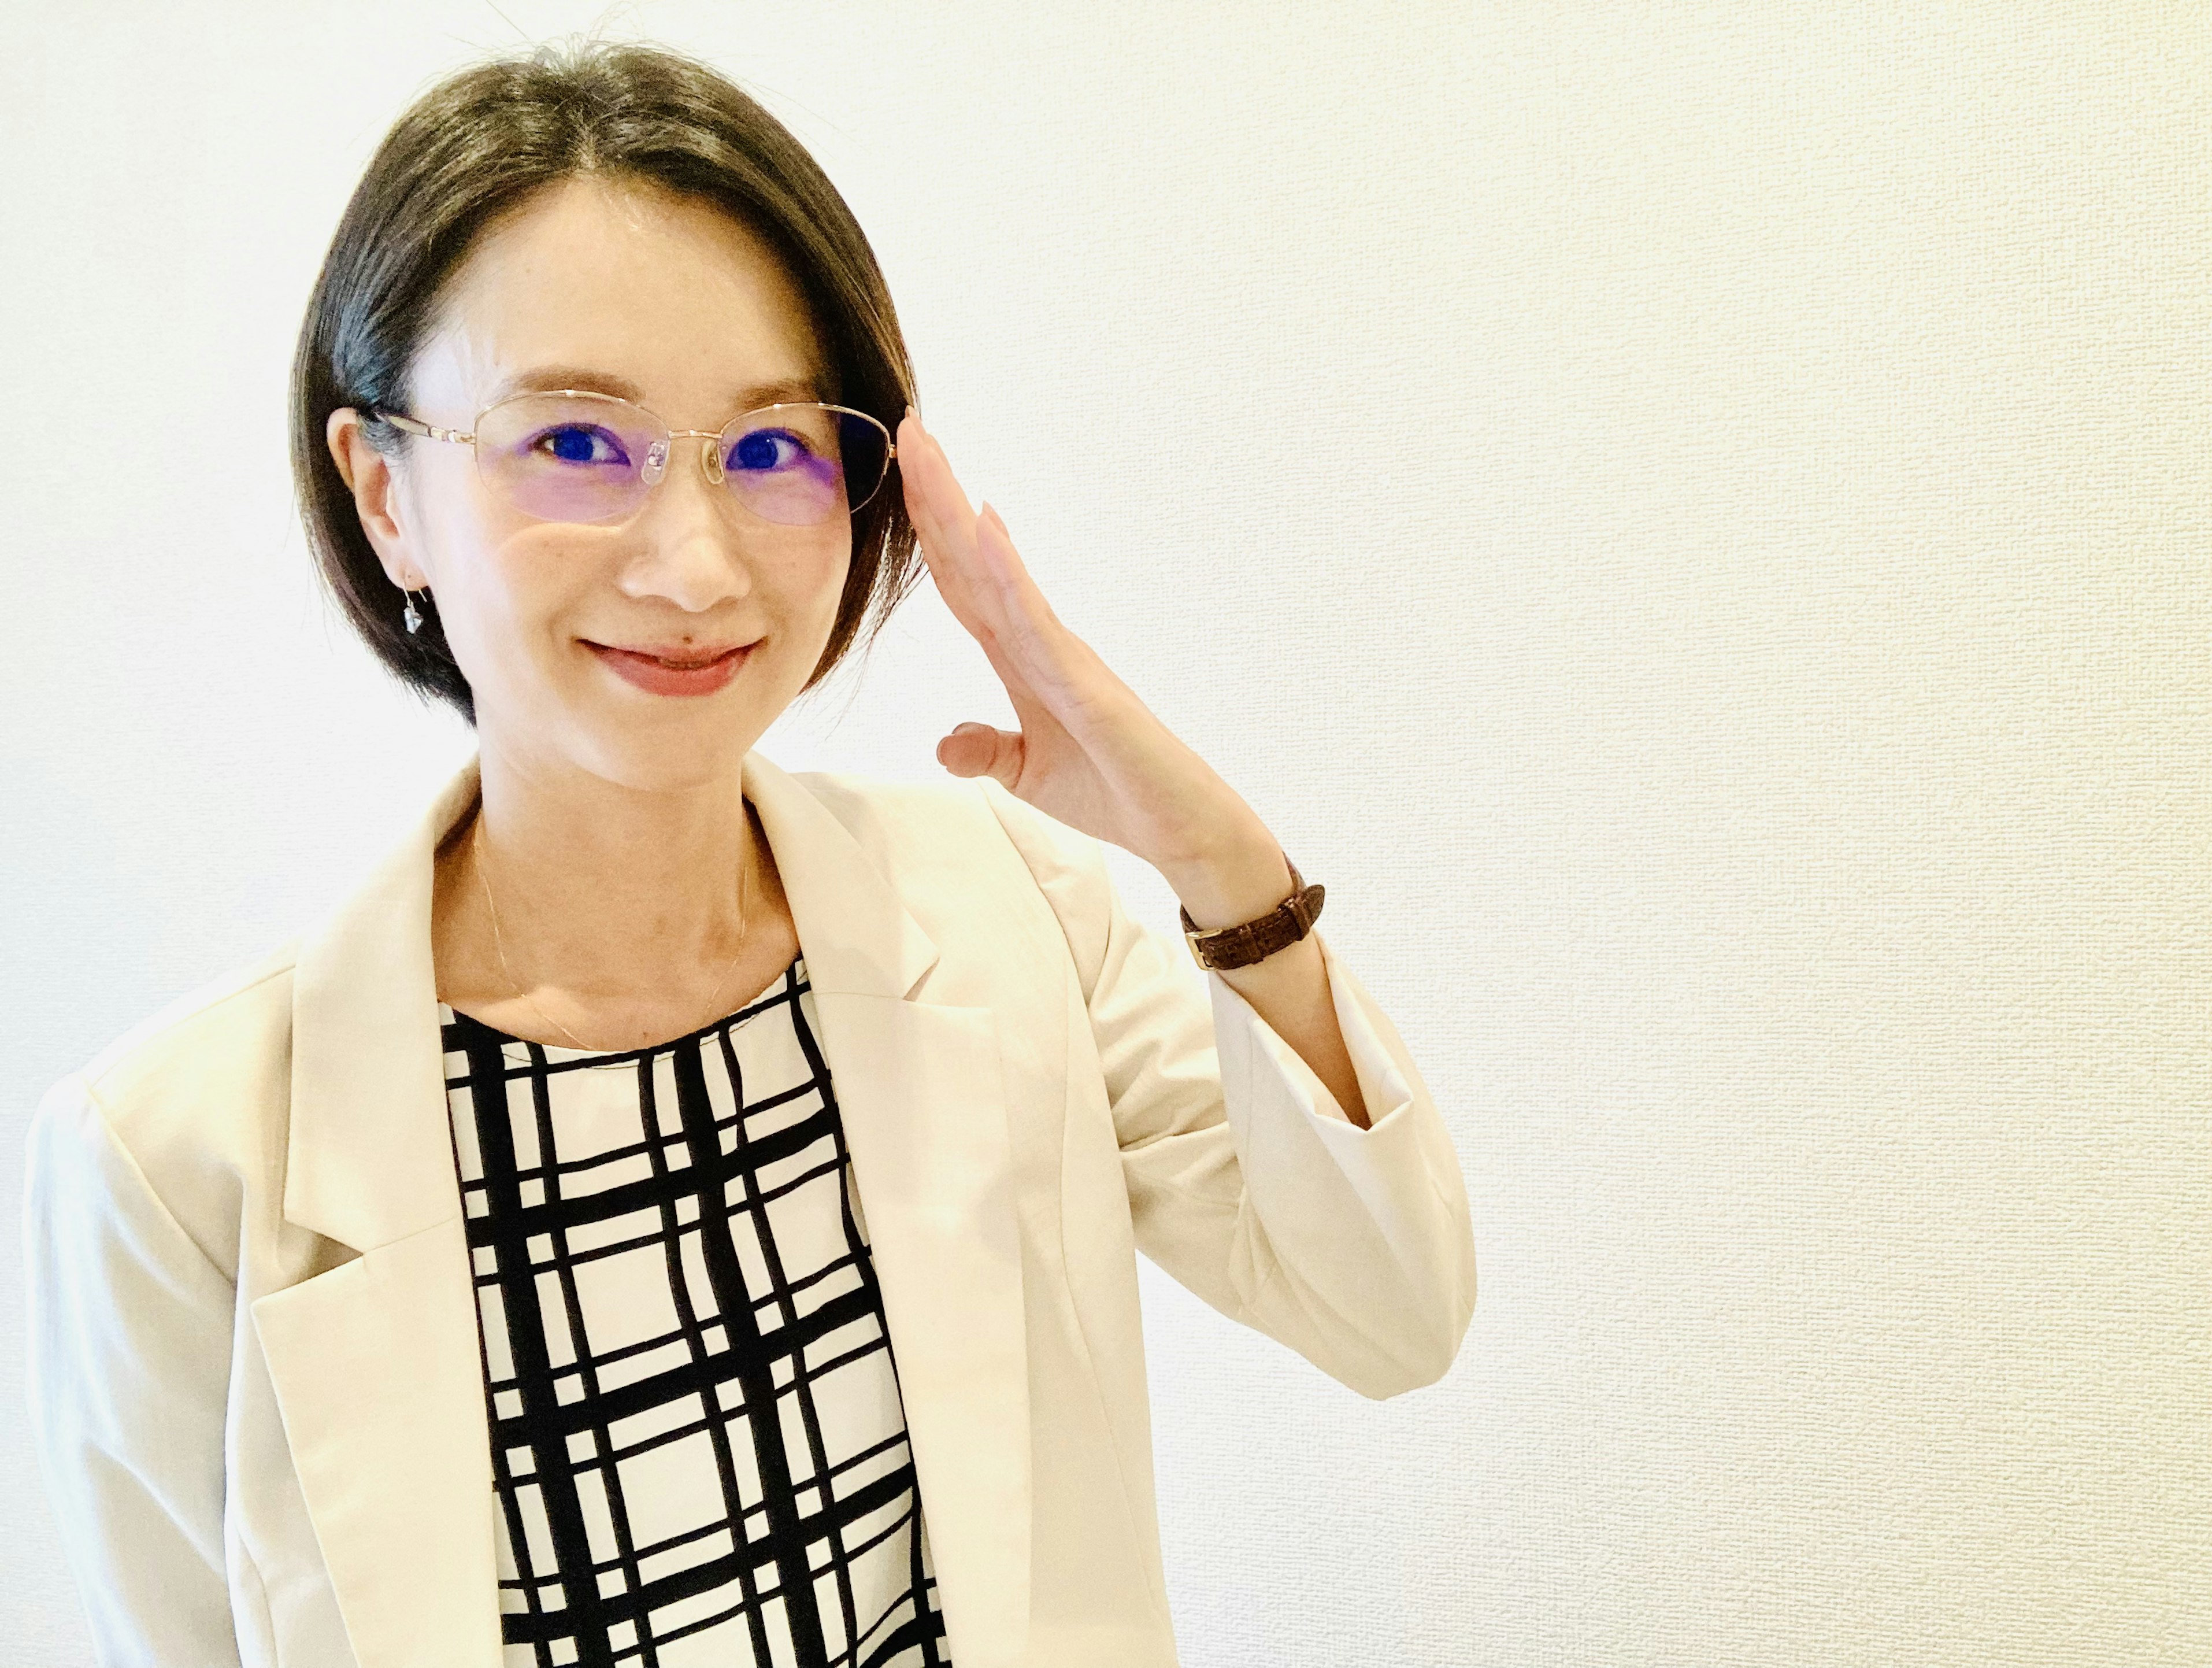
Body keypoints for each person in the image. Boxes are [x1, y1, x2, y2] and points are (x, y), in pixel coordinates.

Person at [22, 39, 1476, 1668]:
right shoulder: (173, 1166)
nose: (696, 563)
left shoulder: (1013, 920)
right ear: (385, 495)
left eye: (775, 448)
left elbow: (1391, 1309)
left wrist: (1212, 856)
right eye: (574, 443)